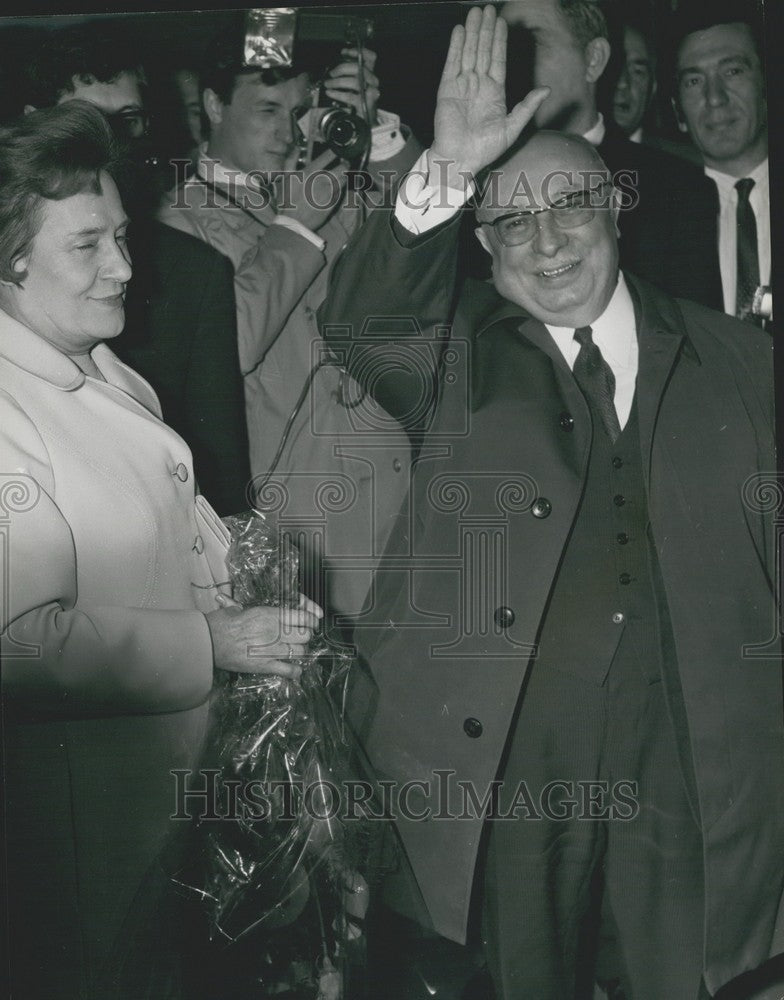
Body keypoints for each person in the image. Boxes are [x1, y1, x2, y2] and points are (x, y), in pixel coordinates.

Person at [319, 7, 783, 998]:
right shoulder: (455, 358)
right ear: (480, 247)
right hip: (509, 771)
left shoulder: (742, 362)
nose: (547, 242)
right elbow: (363, 324)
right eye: (512, 222)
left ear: (616, 207)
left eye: (571, 205)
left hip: (694, 766)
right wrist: (442, 169)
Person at [0, 101, 321, 998]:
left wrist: (244, 577)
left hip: (160, 799)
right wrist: (211, 642)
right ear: (10, 257)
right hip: (78, 835)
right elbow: (17, 642)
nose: (126, 269)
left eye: (125, 238)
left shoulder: (103, 366)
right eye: (89, 246)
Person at [159, 31, 418, 621]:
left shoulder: (327, 184)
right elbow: (229, 345)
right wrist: (297, 227)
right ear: (213, 105)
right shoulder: (171, 221)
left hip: (400, 496)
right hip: (299, 526)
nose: (287, 132)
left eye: (301, 112)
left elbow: (424, 238)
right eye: (268, 110)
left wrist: (378, 132)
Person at [22, 23, 251, 515]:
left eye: (128, 119)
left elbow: (221, 480)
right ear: (33, 125)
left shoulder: (194, 272)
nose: (111, 142)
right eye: (85, 121)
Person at [499, 0, 723, 310]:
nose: (509, 63)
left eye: (531, 42)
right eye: (504, 46)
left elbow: (692, 336)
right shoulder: (477, 186)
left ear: (593, 60)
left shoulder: (675, 188)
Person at [672, 1, 770, 325]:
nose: (715, 97)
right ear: (677, 112)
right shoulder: (657, 222)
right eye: (694, 81)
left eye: (733, 71)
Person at [611, 20, 656, 143]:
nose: (622, 83)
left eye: (637, 71)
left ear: (653, 88)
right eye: (612, 66)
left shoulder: (678, 160)